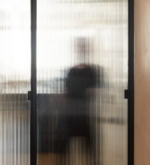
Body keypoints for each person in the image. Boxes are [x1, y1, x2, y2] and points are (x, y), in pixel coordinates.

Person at [58, 37, 102, 165]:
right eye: (79, 47)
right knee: (65, 141)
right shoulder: (72, 70)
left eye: (83, 47)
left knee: (89, 143)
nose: (81, 49)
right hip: (71, 113)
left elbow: (94, 91)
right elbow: (66, 90)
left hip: (85, 113)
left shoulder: (92, 71)